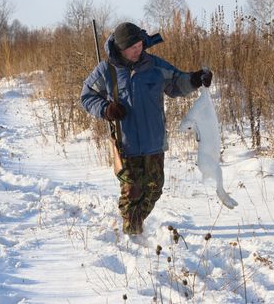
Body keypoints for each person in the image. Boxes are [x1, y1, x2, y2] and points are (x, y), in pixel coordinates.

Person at [80, 22, 212, 235]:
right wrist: (106, 109)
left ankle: (136, 222)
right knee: (132, 191)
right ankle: (131, 233)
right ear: (121, 48)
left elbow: (177, 82)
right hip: (126, 144)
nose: (138, 50)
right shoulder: (106, 70)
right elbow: (86, 97)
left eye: (140, 45)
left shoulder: (154, 66)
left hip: (154, 141)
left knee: (154, 189)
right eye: (133, 47)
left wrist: (196, 79)